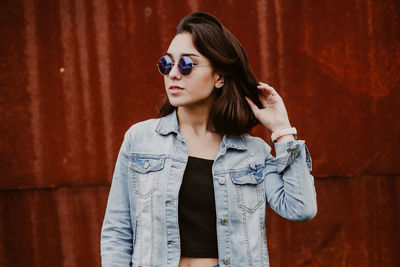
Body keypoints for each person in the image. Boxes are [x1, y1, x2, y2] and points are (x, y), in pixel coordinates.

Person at [101, 11, 317, 267]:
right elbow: (117, 230)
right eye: (167, 64)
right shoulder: (140, 139)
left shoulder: (252, 153)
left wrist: (282, 131)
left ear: (219, 77)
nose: (173, 75)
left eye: (186, 65)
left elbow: (300, 208)